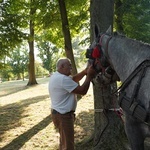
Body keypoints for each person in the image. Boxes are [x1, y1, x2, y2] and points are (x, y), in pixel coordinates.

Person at [48, 58, 96, 150]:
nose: (71, 67)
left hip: (58, 114)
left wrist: (85, 71)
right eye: (69, 65)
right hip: (63, 116)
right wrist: (89, 76)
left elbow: (73, 79)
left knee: (64, 142)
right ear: (62, 66)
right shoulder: (62, 79)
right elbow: (82, 91)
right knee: (68, 146)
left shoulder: (57, 75)